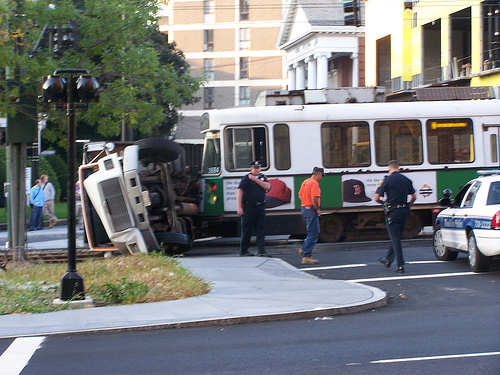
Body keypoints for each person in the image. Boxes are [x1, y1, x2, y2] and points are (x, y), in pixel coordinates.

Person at [374, 160, 417, 273]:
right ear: (399, 168)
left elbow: (377, 198)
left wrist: (384, 204)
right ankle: (387, 259)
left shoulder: (387, 180)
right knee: (396, 236)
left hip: (392, 212)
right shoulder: (406, 180)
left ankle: (400, 265)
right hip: (404, 211)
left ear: (389, 169)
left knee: (395, 238)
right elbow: (414, 197)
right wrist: (409, 205)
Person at [237, 161, 271, 257]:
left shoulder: (263, 177)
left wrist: (256, 180)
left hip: (260, 206)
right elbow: (240, 192)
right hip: (248, 207)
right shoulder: (246, 178)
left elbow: (268, 186)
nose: (257, 169)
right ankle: (244, 251)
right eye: (255, 168)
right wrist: (239, 207)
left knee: (261, 229)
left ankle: (261, 251)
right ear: (251, 168)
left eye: (258, 167)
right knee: (247, 230)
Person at [298, 167, 324, 265]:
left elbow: (300, 195)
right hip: (311, 210)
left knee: (311, 232)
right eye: (322, 175)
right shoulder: (314, 183)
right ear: (318, 174)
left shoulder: (305, 181)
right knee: (314, 232)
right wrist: (317, 209)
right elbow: (314, 198)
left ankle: (305, 250)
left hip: (305, 208)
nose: (321, 178)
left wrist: (305, 203)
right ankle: (306, 255)